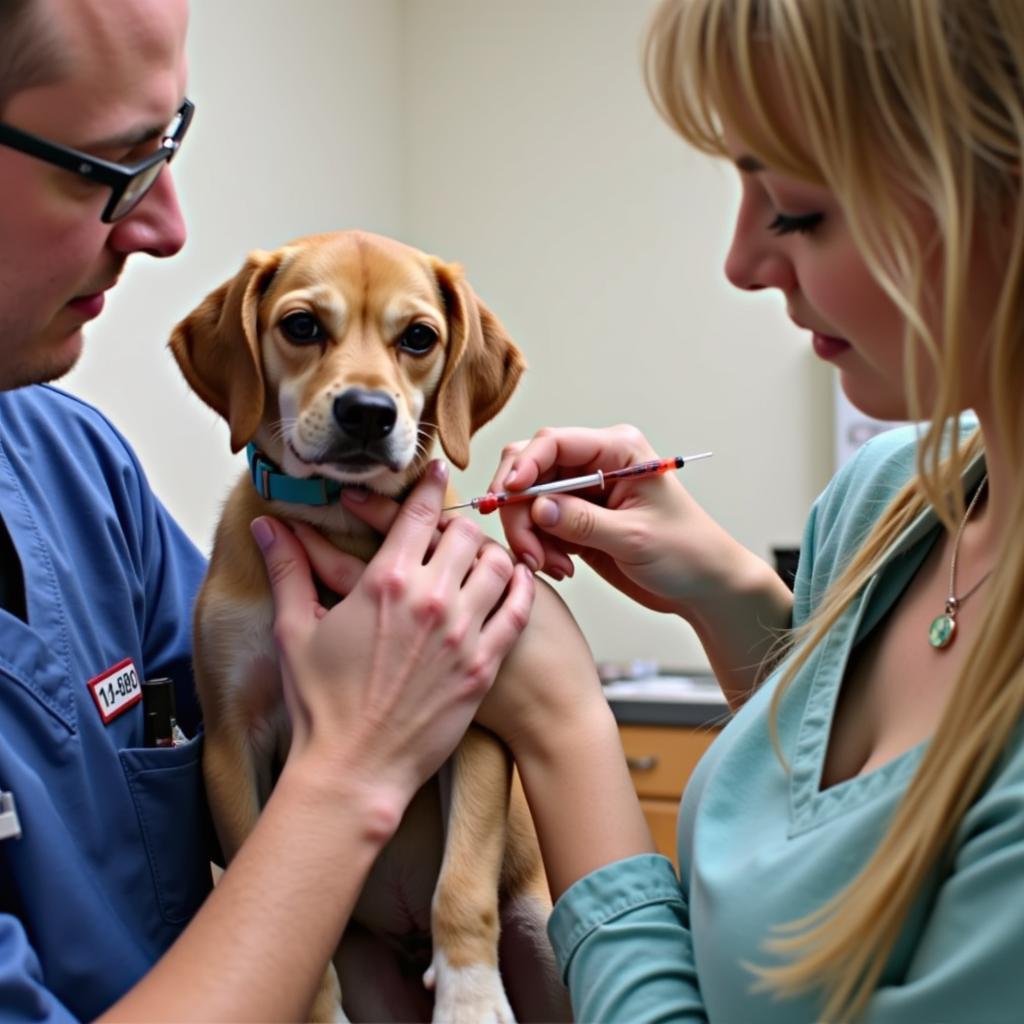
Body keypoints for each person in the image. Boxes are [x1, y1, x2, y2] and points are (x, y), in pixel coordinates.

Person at [340, 0, 1024, 1019]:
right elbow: (826, 819)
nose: (741, 264)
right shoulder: (887, 499)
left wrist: (567, 728)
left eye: (797, 209)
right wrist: (727, 593)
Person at [0, 0, 541, 1019]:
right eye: (103, 164)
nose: (167, 226)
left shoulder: (84, 474)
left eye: (168, 150)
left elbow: (233, 728)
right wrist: (355, 769)